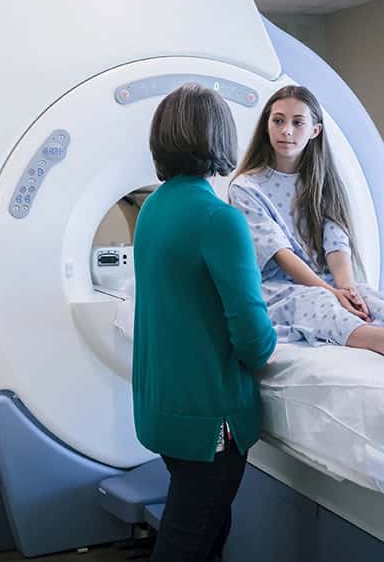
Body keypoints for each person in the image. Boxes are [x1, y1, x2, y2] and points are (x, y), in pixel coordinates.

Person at [228, 85, 384, 368]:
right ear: (266, 125)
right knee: (317, 301)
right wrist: (330, 292)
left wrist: (345, 288)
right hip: (275, 288)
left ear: (315, 131)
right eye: (278, 120)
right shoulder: (246, 187)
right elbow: (280, 253)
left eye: (298, 123)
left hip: (325, 279)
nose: (286, 130)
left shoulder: (322, 183)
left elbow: (336, 241)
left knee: (366, 295)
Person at [133, 83, 277, 562]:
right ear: (220, 138)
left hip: (163, 408)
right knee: (188, 541)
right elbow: (254, 343)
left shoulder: (153, 207)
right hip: (209, 421)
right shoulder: (220, 219)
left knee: (208, 530)